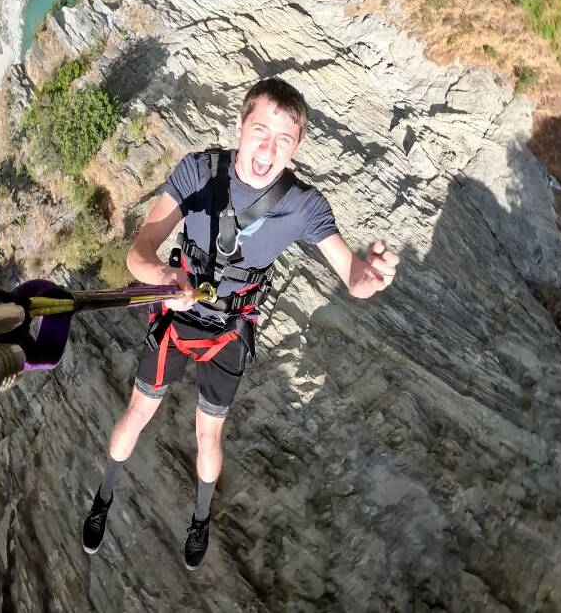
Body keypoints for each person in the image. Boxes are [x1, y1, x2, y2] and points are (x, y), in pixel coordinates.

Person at [80, 77, 398, 569]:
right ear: (240, 126)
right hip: (175, 317)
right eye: (261, 131)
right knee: (136, 415)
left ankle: (200, 517)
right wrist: (165, 274)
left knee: (209, 435)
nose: (268, 150)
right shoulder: (199, 173)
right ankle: (104, 495)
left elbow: (351, 275)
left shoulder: (304, 207)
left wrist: (367, 277)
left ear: (296, 147)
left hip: (229, 332)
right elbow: (139, 253)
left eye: (284, 140)